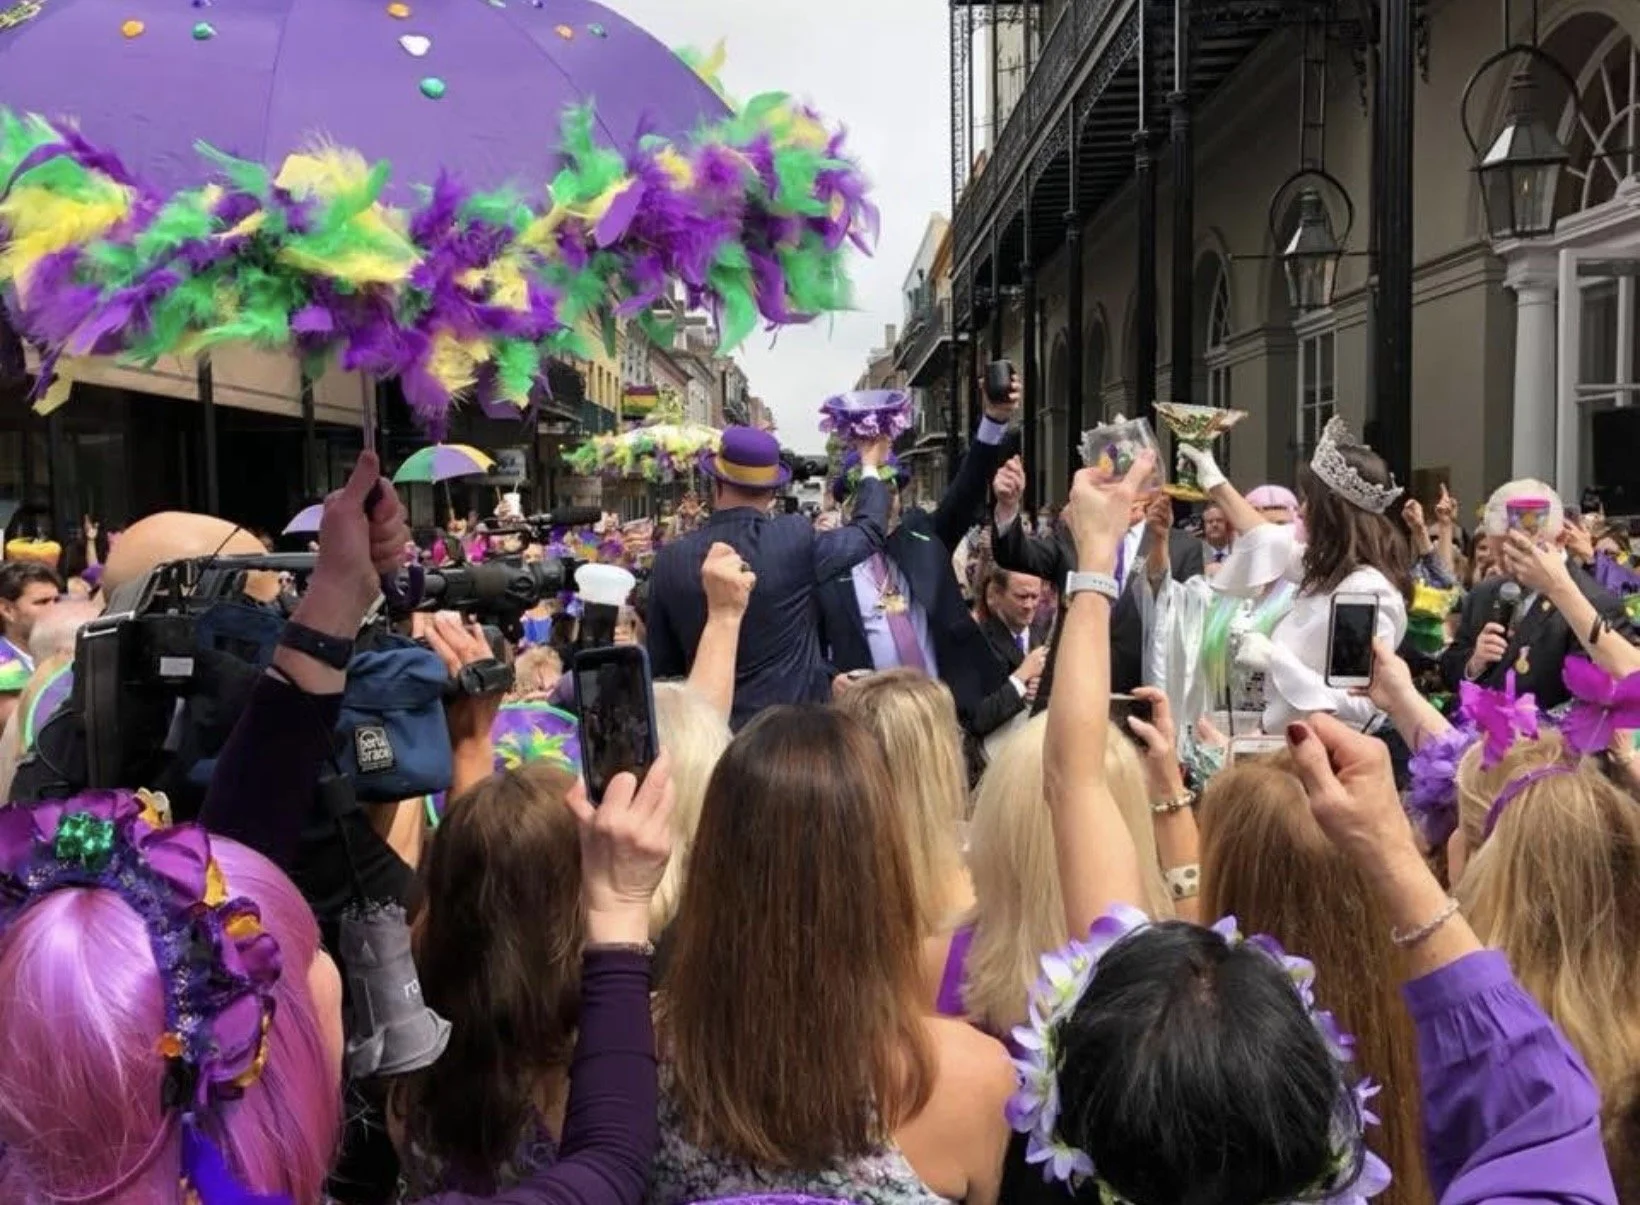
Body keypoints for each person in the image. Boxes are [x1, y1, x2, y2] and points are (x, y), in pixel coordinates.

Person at [1178, 416, 1411, 734]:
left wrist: (1276, 660)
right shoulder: (1330, 574)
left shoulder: (1361, 592)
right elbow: (1265, 538)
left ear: (1332, 512)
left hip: (1326, 760)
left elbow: (1359, 705)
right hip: (1287, 747)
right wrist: (1213, 478)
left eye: (1307, 501)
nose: (1299, 512)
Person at [816, 376, 1019, 741]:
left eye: (891, 489)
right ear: (849, 505)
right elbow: (806, 648)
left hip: (944, 715)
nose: (886, 500)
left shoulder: (924, 534)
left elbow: (968, 485)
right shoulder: (828, 565)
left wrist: (994, 419)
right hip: (871, 728)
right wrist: (829, 679)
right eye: (872, 492)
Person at [647, 426, 889, 728]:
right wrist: (869, 465)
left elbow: (662, 670)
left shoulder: (671, 560)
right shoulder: (793, 538)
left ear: (716, 484)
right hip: (791, 742)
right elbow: (868, 531)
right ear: (774, 491)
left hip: (712, 743)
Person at [991, 451, 1203, 701]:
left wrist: (1160, 544)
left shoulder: (1181, 546)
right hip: (1072, 692)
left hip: (1143, 696)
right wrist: (1008, 505)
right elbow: (1015, 555)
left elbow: (1189, 624)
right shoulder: (1077, 534)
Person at [1441, 479, 1630, 710]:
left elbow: (1590, 706)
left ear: (1560, 540)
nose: (1504, 565)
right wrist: (1474, 663)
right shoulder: (1485, 592)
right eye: (1498, 553)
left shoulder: (1596, 603)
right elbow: (1449, 669)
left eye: (1518, 551)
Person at [0, 559, 61, 709]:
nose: (55, 610)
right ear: (7, 610)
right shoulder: (3, 664)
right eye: (43, 602)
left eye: (57, 600)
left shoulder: (64, 653)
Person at [1200, 501, 1233, 570]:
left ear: (1227, 523)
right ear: (1203, 526)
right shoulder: (1196, 554)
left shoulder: (1238, 550)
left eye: (1219, 520)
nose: (1214, 525)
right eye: (1210, 521)